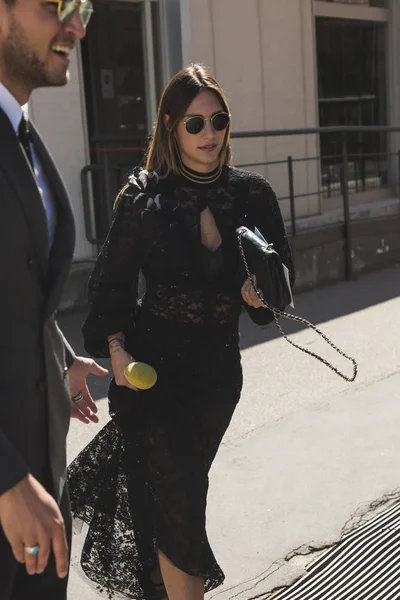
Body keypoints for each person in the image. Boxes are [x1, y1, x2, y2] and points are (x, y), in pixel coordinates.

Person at [68, 63, 295, 600]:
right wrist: (118, 354)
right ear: (170, 128)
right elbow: (110, 294)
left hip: (218, 380)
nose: (210, 134)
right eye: (194, 124)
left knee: (174, 501)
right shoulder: (145, 200)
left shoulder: (253, 195)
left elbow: (277, 294)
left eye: (218, 121)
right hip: (152, 379)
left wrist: (257, 295)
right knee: (181, 508)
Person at [0, 2, 109, 599]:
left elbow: (18, 285)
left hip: (41, 485)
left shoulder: (22, 132)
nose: (77, 25)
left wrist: (62, 356)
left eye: (83, 7)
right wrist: (7, 480)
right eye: (56, 5)